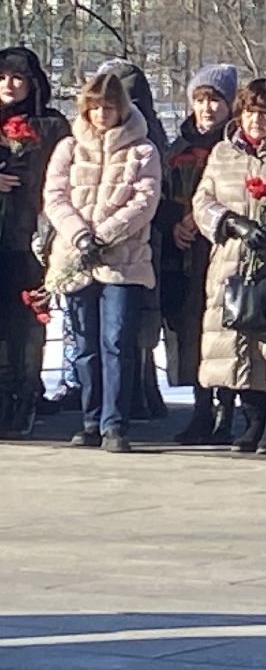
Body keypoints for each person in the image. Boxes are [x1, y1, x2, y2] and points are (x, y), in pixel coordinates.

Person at [42, 71, 161, 453]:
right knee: (84, 344)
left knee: (117, 341)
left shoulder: (142, 150)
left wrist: (105, 235)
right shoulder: (69, 148)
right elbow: (55, 197)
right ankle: (90, 419)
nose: (101, 115)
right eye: (94, 108)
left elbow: (144, 201)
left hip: (122, 260)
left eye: (108, 107)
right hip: (76, 257)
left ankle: (115, 424)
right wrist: (80, 235)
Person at [193, 77, 266, 454]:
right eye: (250, 112)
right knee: (239, 337)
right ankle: (251, 417)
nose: (256, 120)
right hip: (231, 260)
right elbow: (203, 200)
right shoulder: (223, 152)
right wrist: (230, 222)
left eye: (265, 114)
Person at [158, 64, 239, 445]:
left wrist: (203, 217)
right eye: (201, 100)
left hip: (221, 249)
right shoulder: (178, 148)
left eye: (216, 100)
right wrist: (175, 222)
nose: (208, 108)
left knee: (225, 332)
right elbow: (158, 195)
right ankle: (201, 410)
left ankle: (227, 413)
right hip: (185, 254)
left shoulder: (235, 145)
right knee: (191, 334)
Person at [95, 58, 169, 422]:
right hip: (118, 238)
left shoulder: (144, 136)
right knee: (127, 326)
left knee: (125, 326)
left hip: (136, 237)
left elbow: (150, 193)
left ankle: (132, 395)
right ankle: (137, 392)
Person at [0, 47, 68, 438]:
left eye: (17, 78)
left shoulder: (51, 126)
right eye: (2, 78)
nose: (9, 85)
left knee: (25, 325)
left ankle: (23, 399)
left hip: (33, 239)